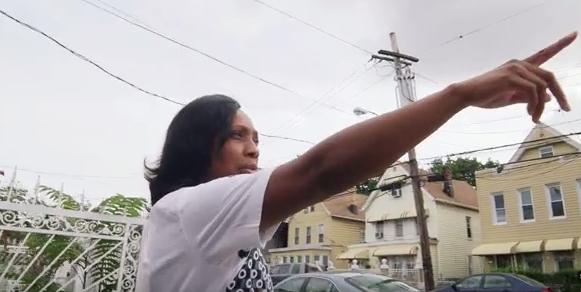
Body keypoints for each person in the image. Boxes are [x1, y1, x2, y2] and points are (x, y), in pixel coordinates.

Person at [138, 32, 577, 292]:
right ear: (196, 145)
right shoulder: (186, 211)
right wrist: (459, 95)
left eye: (257, 138)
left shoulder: (219, 228)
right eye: (237, 135)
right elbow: (321, 172)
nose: (254, 149)